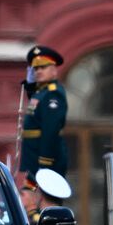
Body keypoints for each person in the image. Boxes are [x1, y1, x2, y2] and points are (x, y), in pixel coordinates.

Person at [19, 45, 68, 180]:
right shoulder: (41, 92)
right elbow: (37, 110)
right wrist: (29, 86)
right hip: (34, 157)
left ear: (54, 70)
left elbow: (50, 128)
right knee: (32, 198)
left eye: (43, 67)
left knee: (46, 199)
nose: (38, 71)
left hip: (45, 160)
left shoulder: (53, 94)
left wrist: (45, 160)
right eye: (36, 68)